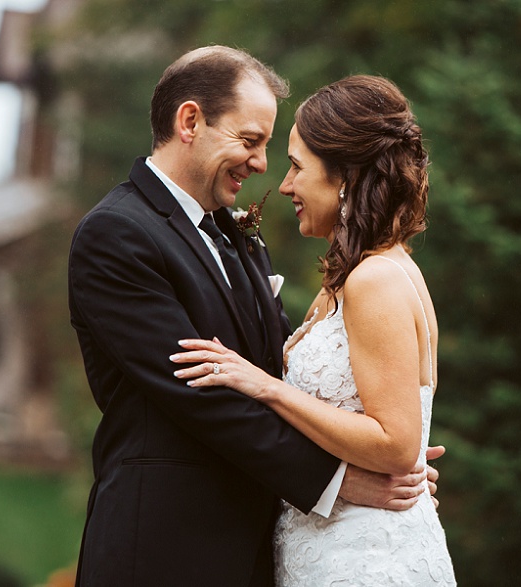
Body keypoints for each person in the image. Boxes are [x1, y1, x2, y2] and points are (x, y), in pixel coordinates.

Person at [68, 47, 441, 587]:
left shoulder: (238, 235)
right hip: (164, 551)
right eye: (250, 142)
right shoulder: (117, 235)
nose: (265, 167)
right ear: (190, 121)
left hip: (258, 551)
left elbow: (282, 367)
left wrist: (384, 449)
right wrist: (343, 479)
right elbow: (205, 392)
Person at [172, 75, 456, 585]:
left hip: (366, 560)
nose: (283, 185)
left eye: (297, 167)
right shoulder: (358, 277)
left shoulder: (375, 279)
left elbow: (394, 444)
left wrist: (266, 387)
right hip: (330, 549)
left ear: (345, 176)